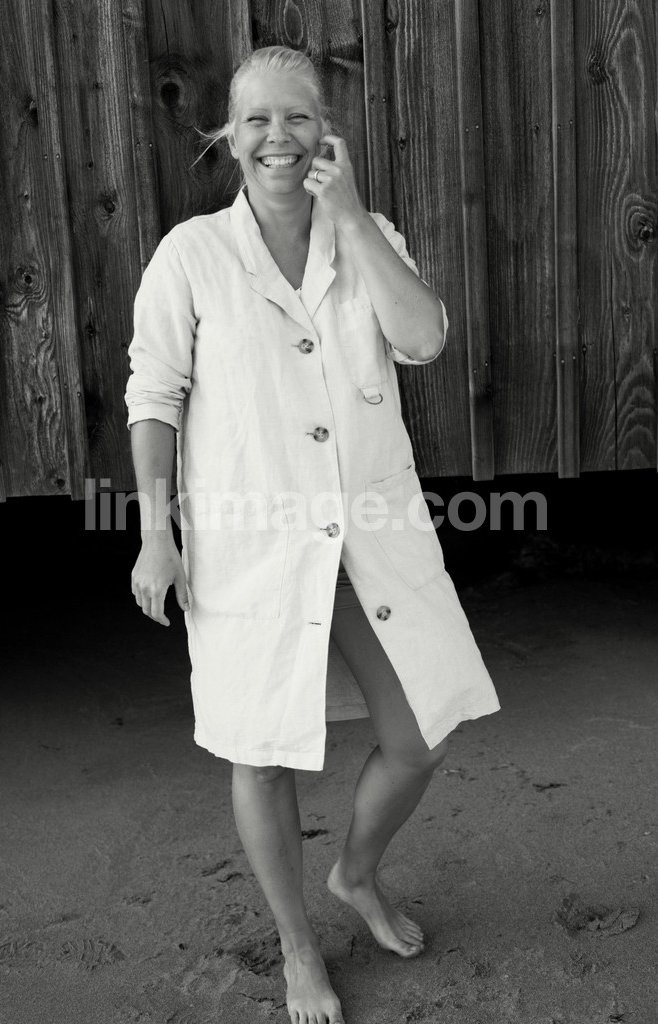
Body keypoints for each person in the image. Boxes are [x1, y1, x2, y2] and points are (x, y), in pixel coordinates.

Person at [125, 45, 499, 1024]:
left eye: (297, 117)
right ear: (228, 135)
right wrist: (156, 534)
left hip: (367, 535)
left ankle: (355, 873)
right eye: (256, 119)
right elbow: (153, 396)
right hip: (250, 543)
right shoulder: (191, 255)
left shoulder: (369, 235)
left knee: (418, 737)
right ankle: (297, 944)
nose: (277, 137)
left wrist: (353, 218)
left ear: (325, 132)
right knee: (259, 754)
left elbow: (422, 338)